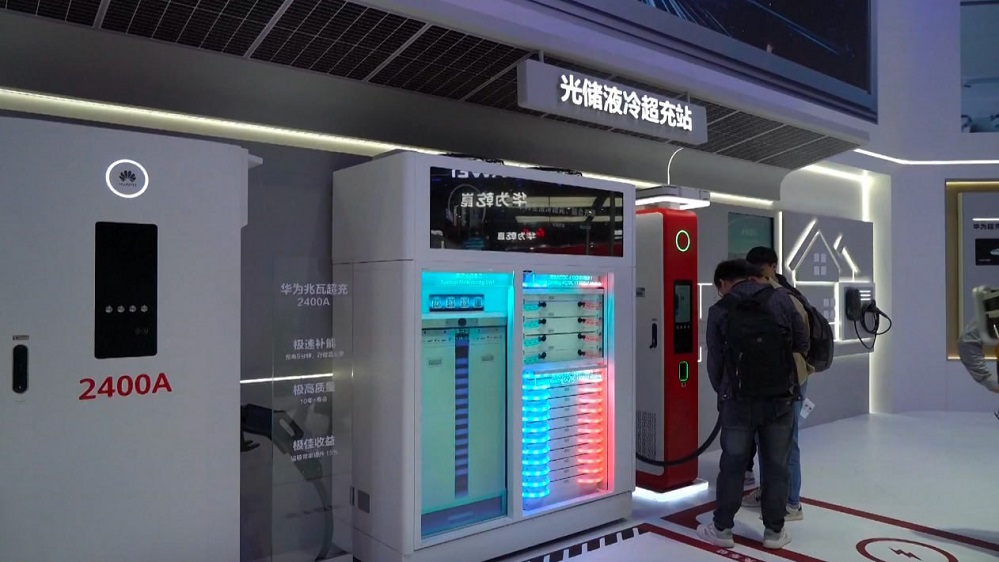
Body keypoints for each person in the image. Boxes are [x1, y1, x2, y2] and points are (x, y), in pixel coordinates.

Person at [697, 259, 809, 550]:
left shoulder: (719, 310)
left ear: (723, 283)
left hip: (737, 401)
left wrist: (725, 391)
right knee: (776, 464)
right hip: (780, 399)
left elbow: (714, 362)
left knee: (733, 464)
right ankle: (774, 532)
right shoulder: (781, 299)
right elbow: (802, 342)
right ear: (750, 277)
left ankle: (722, 529)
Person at [741, 246, 814, 521]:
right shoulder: (767, 294)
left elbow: (803, 339)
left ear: (771, 268)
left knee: (787, 440)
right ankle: (770, 491)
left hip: (790, 378)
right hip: (773, 378)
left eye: (758, 272)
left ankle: (792, 502)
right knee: (766, 438)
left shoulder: (785, 297)